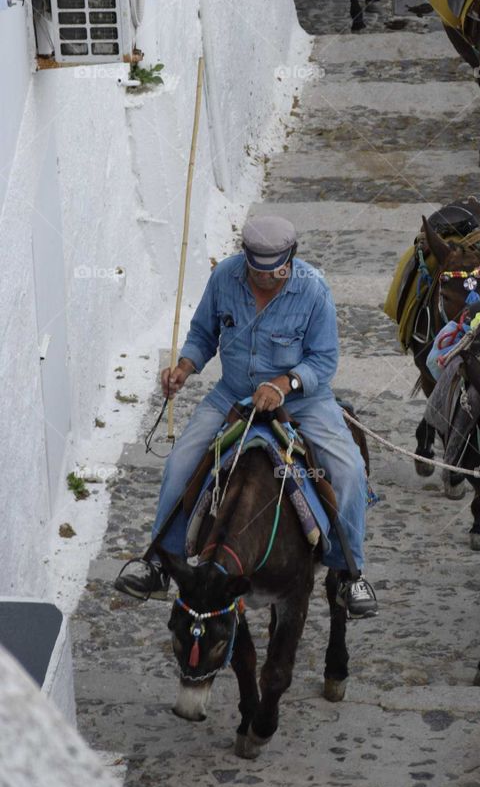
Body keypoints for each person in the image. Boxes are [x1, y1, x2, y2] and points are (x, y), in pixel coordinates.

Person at [114, 213, 378, 618]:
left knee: (349, 470)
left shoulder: (314, 289)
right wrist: (184, 367)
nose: (265, 280)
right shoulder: (224, 278)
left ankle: (347, 573)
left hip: (304, 402)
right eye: (257, 272)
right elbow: (204, 334)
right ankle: (158, 563)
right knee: (181, 461)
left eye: (275, 273)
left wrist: (283, 385)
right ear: (245, 259)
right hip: (232, 395)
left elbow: (324, 359)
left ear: (292, 258)